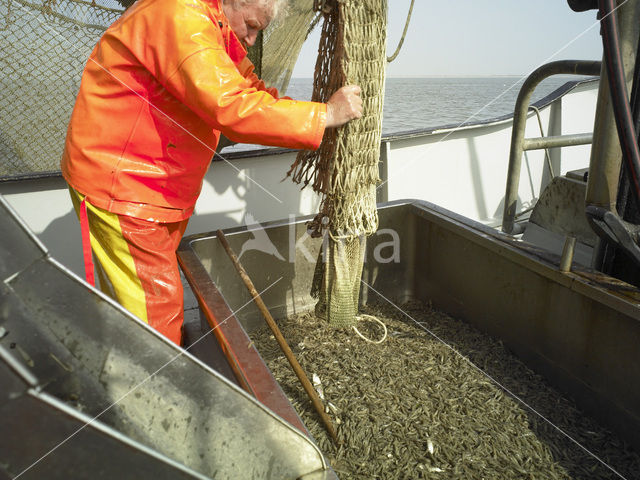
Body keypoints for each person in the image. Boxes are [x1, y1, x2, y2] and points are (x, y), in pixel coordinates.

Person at [61, 0, 362, 345]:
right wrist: (324, 115)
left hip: (153, 189)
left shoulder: (213, 30)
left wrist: (312, 113)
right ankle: (151, 392)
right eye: (251, 25)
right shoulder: (180, 15)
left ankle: (128, 372)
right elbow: (231, 104)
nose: (251, 39)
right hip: (124, 190)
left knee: (137, 308)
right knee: (154, 322)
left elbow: (248, 90)